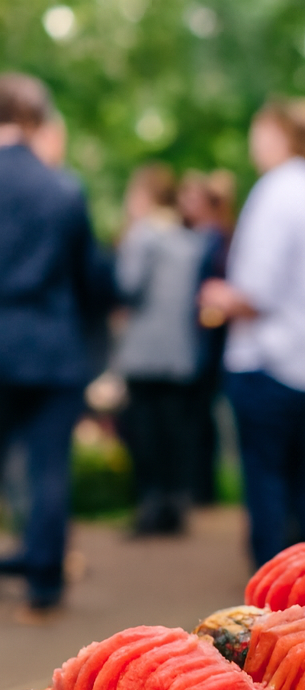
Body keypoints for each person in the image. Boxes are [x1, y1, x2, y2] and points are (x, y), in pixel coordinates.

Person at [199, 97, 305, 566]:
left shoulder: (278, 191)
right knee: (303, 478)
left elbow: (256, 290)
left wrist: (218, 295)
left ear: (277, 132)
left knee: (266, 482)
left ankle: (269, 598)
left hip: (268, 363)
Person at [0, 73, 114, 615]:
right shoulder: (62, 187)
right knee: (49, 467)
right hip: (51, 347)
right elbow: (91, 278)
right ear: (35, 119)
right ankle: (44, 579)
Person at [114, 163, 206, 535]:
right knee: (174, 431)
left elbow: (127, 286)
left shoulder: (142, 236)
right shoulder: (189, 239)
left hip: (144, 350)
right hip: (180, 351)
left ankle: (150, 506)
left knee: (144, 432)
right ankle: (174, 505)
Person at [178, 169, 235, 506]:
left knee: (201, 412)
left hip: (209, 338)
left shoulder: (217, 238)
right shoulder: (194, 236)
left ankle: (202, 487)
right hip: (196, 337)